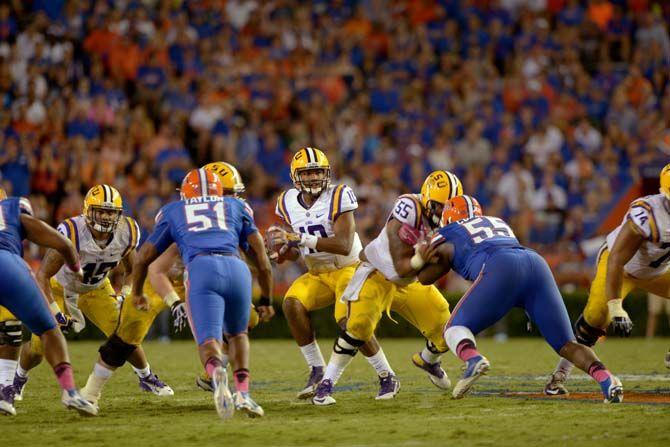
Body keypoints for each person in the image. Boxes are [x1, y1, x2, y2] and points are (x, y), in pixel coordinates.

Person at [414, 195, 623, 403]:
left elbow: (425, 277)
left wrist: (419, 258)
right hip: (535, 263)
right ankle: (607, 380)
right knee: (567, 344)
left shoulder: (448, 231)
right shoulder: (497, 221)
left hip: (500, 267)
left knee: (453, 328)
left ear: (449, 217)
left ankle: (473, 358)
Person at [10, 185, 173, 409]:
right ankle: (19, 378)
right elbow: (43, 276)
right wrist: (56, 312)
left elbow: (132, 269)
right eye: (101, 211)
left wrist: (124, 294)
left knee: (123, 332)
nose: (106, 217)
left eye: (111, 212)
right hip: (60, 287)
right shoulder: (73, 231)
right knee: (40, 344)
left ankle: (146, 377)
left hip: (95, 287)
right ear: (88, 211)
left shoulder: (126, 231)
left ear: (119, 214)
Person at [131, 168, 273, 419]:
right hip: (236, 267)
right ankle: (243, 393)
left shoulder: (174, 211)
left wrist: (137, 292)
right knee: (239, 335)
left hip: (201, 269)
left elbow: (143, 259)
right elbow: (262, 259)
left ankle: (216, 371)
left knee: (209, 342)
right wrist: (266, 300)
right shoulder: (236, 206)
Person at [311, 170, 460, 406]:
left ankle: (429, 360)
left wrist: (436, 261)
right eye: (438, 206)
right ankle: (326, 383)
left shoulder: (453, 221)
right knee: (358, 325)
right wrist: (421, 260)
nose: (442, 212)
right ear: (426, 198)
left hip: (409, 281)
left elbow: (426, 278)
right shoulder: (408, 206)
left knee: (447, 328)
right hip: (380, 272)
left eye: (449, 206)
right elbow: (401, 265)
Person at [268, 147, 397, 400]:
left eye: (318, 172)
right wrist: (282, 251)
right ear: (296, 176)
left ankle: (386, 374)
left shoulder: (339, 195)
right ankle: (317, 369)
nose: (314, 177)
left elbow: (343, 244)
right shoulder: (285, 202)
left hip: (348, 268)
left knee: (348, 321)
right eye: (308, 173)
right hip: (317, 273)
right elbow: (295, 250)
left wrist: (298, 238)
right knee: (292, 304)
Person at [546, 164, 670, 394]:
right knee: (594, 318)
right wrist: (616, 307)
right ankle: (560, 374)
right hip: (621, 268)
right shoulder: (647, 216)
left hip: (658, 270)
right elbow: (616, 261)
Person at [0, 188, 97, 416]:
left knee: (9, 327)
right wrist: (76, 267)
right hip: (5, 265)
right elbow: (65, 245)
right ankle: (71, 392)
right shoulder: (12, 208)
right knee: (49, 330)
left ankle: (5, 392)